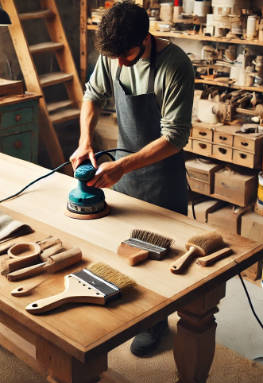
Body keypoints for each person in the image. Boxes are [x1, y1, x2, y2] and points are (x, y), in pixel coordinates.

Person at [69, 1, 194, 357]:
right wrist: (85, 140)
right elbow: (92, 96)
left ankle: (158, 325)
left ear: (145, 39)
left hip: (162, 177)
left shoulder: (175, 67)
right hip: (125, 173)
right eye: (115, 58)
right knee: (125, 252)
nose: (120, 63)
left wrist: (122, 166)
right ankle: (132, 316)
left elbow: (174, 137)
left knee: (159, 259)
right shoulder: (113, 56)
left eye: (127, 56)